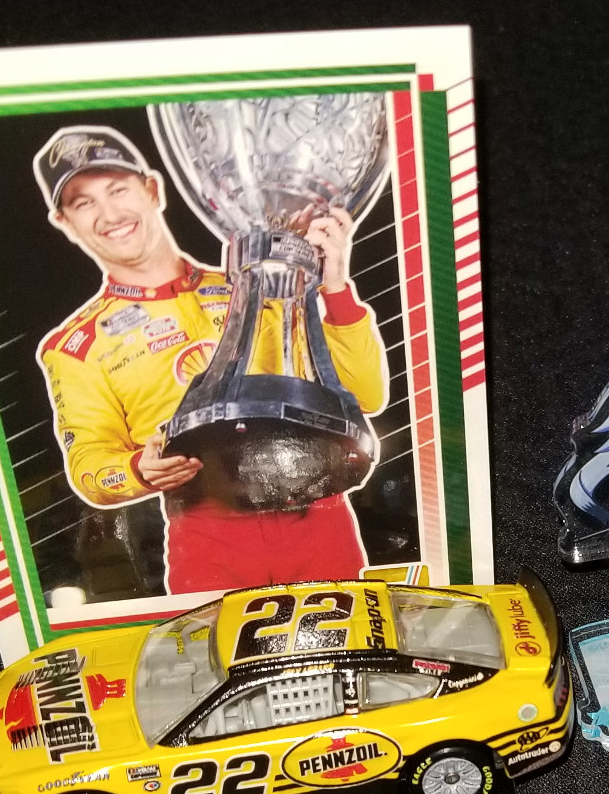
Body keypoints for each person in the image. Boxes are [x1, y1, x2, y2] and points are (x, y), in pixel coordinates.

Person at [32, 125, 390, 594]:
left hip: (317, 518)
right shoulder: (74, 347)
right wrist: (138, 469)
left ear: (152, 190)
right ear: (64, 221)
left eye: (118, 189)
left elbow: (366, 395)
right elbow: (89, 465)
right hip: (208, 536)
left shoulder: (259, 284)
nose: (109, 213)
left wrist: (336, 288)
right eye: (84, 203)